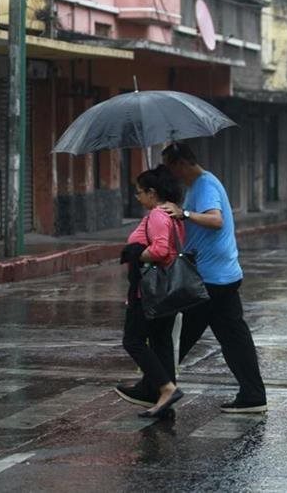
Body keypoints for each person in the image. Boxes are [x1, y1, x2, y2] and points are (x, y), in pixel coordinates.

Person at [162, 142, 267, 413]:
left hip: (209, 279)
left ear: (182, 163)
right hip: (223, 275)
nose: (171, 174)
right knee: (234, 337)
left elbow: (215, 220)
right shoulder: (200, 186)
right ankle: (253, 396)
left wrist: (183, 213)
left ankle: (157, 387)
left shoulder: (205, 185)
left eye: (171, 167)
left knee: (175, 334)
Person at [116, 165, 186, 418]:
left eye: (139, 192)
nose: (137, 197)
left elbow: (160, 251)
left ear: (152, 193)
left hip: (148, 292)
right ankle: (161, 397)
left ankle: (166, 388)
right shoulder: (173, 216)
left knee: (133, 341)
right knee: (161, 343)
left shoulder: (158, 215)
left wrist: (133, 254)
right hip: (168, 292)